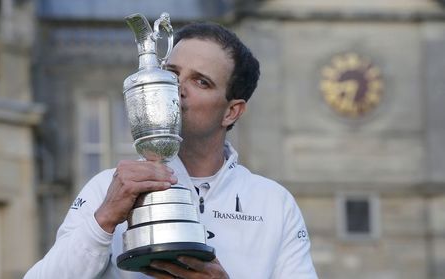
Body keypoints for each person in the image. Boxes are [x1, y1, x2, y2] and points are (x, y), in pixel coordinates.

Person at [25, 22, 318, 279]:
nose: (176, 87)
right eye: (171, 72)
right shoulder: (107, 188)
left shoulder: (274, 204)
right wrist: (102, 222)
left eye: (201, 81)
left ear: (231, 112)